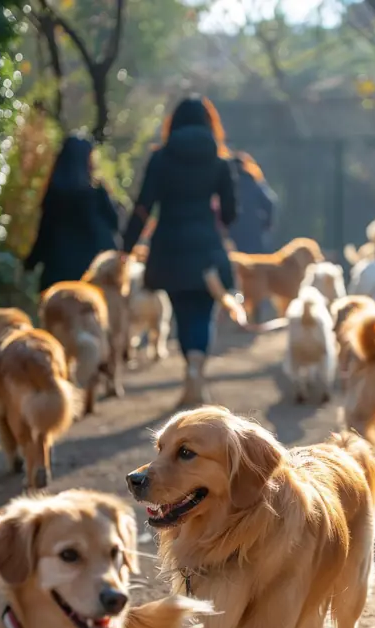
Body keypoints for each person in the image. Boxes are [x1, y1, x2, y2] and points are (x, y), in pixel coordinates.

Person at [122, 95, 237, 406]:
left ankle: (190, 367)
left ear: (173, 124)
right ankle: (197, 366)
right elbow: (229, 214)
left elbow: (144, 206)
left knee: (183, 311)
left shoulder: (160, 159)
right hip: (206, 247)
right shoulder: (219, 161)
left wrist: (126, 246)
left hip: (169, 248)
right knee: (203, 310)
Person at [24, 134, 118, 291]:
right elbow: (115, 223)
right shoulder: (96, 193)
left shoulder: (54, 193)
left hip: (57, 271)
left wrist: (30, 263)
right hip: (91, 274)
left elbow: (44, 232)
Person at [229, 151, 277, 255]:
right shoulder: (254, 183)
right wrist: (266, 224)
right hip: (253, 231)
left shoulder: (227, 183)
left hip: (233, 230)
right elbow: (270, 202)